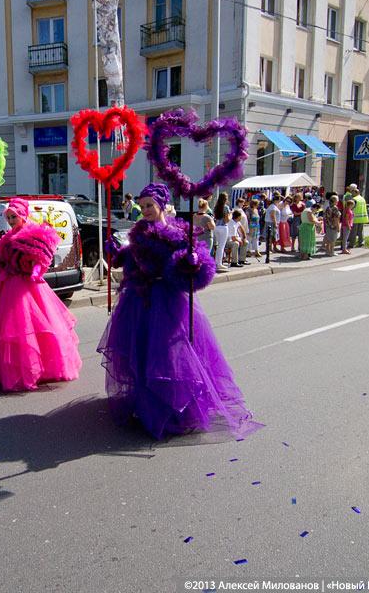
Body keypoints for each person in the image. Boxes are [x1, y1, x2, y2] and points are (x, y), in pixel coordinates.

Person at [98, 183, 262, 441]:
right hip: (139, 300)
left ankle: (175, 408)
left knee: (169, 355)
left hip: (167, 301)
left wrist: (191, 264)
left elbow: (199, 264)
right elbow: (132, 257)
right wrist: (118, 254)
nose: (145, 210)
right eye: (142, 206)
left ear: (162, 205)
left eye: (150, 205)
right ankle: (146, 405)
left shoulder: (177, 233)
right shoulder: (139, 230)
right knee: (142, 352)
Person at [0, 198, 82, 391]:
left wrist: (36, 270)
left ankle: (33, 368)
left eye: (14, 217)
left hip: (27, 286)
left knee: (29, 326)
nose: (11, 221)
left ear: (23, 215)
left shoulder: (33, 232)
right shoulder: (8, 237)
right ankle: (12, 365)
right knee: (8, 327)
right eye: (9, 217)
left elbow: (42, 256)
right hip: (8, 283)